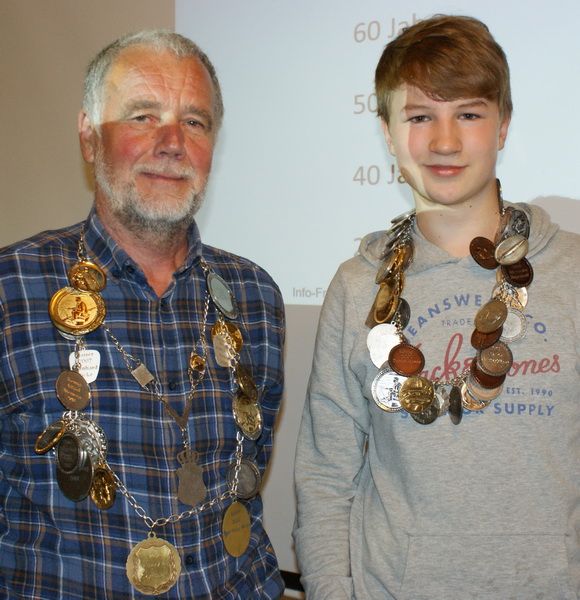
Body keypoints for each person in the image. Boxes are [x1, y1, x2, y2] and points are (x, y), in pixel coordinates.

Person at [294, 15, 579, 599]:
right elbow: (326, 474)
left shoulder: (572, 272)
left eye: (468, 114)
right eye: (420, 116)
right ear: (388, 132)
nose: (444, 142)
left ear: (503, 126)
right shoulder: (357, 286)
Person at [0, 30, 285, 599]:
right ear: (89, 136)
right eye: (143, 116)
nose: (172, 142)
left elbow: (246, 475)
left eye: (194, 122)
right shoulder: (12, 289)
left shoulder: (255, 295)